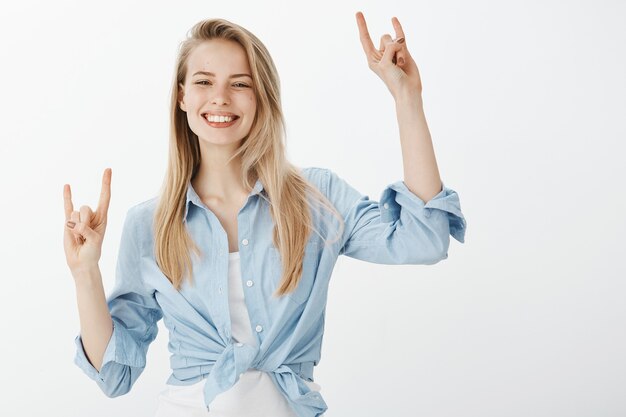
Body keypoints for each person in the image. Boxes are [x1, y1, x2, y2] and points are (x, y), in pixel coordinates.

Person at [63, 12, 467, 417]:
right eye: (204, 81)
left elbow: (425, 241)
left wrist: (406, 97)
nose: (220, 97)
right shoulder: (149, 224)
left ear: (262, 97)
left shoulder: (316, 198)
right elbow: (114, 375)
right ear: (182, 96)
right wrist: (85, 273)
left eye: (240, 84)